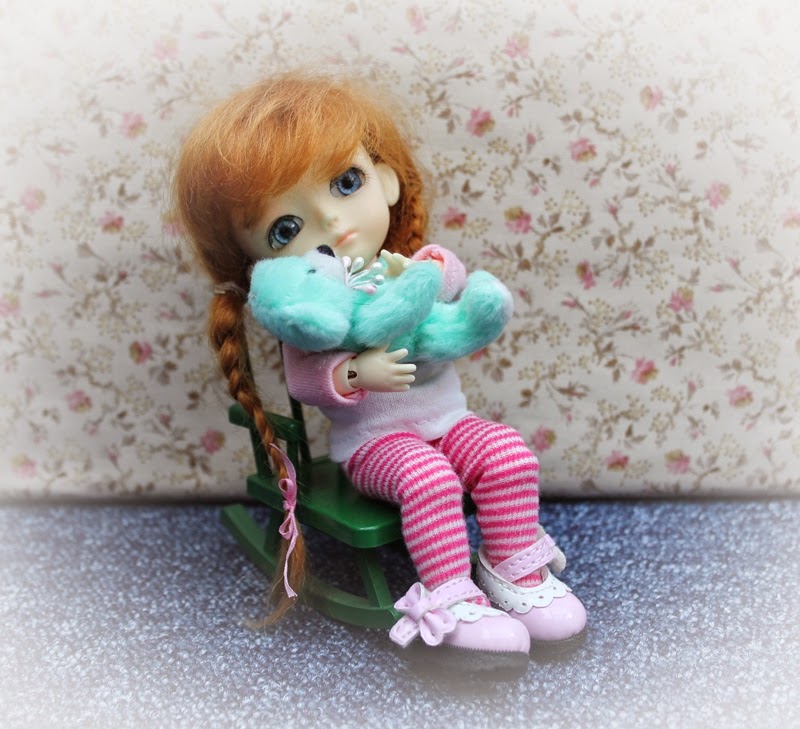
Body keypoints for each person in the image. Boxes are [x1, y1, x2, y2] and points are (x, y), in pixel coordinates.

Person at [173, 71, 586, 671]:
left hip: (448, 422)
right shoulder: (314, 308)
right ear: (256, 261)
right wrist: (355, 374)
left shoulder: (398, 268)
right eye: (286, 228)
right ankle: (451, 596)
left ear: (386, 179)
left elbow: (446, 286)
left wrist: (433, 273)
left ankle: (513, 566)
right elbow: (305, 382)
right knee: (429, 479)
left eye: (346, 183)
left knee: (507, 454)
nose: (332, 221)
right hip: (374, 445)